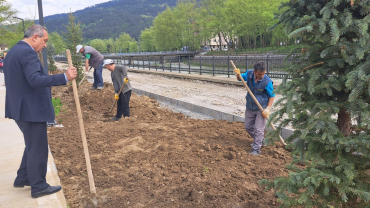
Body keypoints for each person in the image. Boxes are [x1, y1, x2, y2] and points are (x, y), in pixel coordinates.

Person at [3, 24, 77, 198]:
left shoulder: (13, 51)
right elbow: (35, 80)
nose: (45, 45)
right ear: (35, 37)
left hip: (20, 107)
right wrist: (64, 77)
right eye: (44, 41)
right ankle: (38, 186)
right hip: (30, 109)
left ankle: (24, 177)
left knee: (32, 144)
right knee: (38, 147)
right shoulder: (27, 52)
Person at [234, 62, 275, 156]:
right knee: (248, 126)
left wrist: (268, 109)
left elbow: (272, 96)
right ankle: (260, 140)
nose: (262, 76)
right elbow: (240, 79)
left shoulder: (267, 81)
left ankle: (256, 150)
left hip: (261, 109)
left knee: (258, 129)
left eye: (263, 74)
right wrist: (237, 75)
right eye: (259, 74)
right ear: (254, 72)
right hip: (250, 106)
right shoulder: (249, 74)